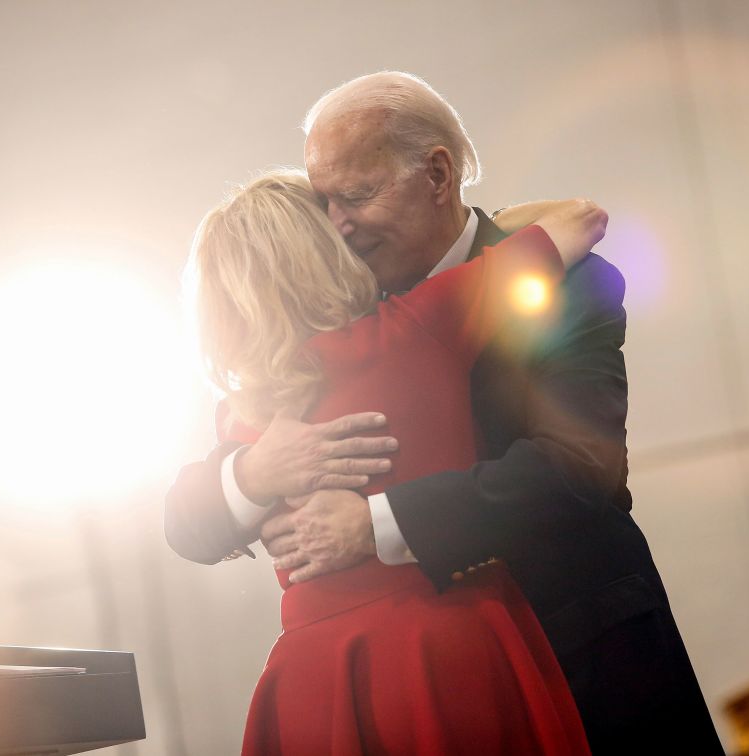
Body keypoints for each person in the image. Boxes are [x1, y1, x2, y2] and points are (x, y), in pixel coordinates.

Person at [166, 71, 723, 753]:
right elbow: (188, 523)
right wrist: (251, 474)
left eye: (359, 195)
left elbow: (580, 469)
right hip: (413, 682)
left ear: (437, 173)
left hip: (579, 648)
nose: (339, 223)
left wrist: (373, 524)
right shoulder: (330, 308)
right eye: (324, 203)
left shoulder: (564, 286)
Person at [181, 169, 604, 753]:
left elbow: (190, 524)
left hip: (310, 677)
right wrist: (488, 228)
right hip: (443, 646)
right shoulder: (421, 322)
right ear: (325, 248)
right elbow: (581, 219)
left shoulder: (241, 419)